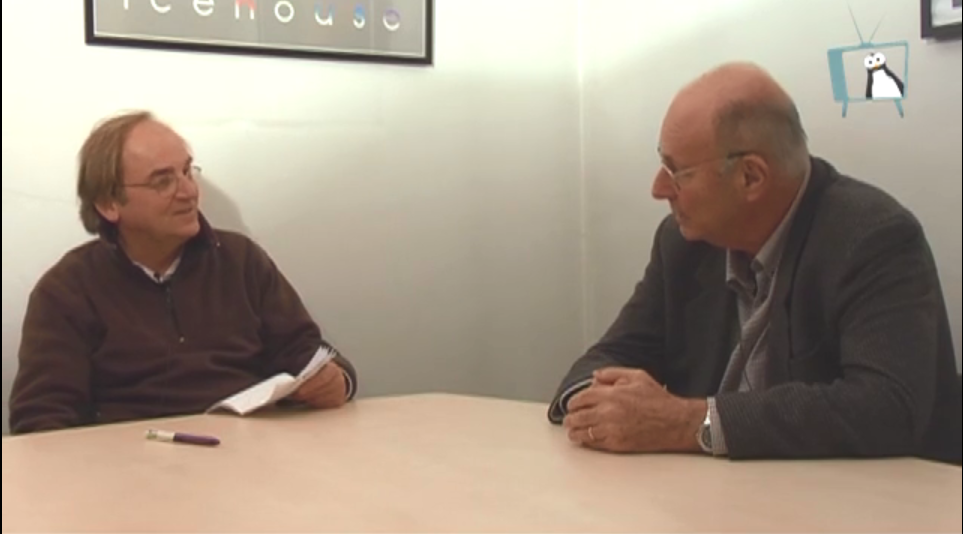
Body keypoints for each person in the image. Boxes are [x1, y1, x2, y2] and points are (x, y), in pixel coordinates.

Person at [548, 62, 959, 462]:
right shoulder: (684, 244)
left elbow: (886, 408)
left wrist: (691, 423)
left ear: (751, 177)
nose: (658, 189)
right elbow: (611, 356)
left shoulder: (872, 239)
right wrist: (600, 406)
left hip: (863, 498)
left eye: (677, 172)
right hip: (715, 494)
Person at [8, 110, 357, 434]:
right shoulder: (67, 290)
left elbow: (309, 356)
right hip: (129, 466)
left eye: (187, 172)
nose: (189, 192)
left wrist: (337, 380)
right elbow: (40, 421)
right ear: (108, 204)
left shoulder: (241, 261)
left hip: (249, 453)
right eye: (162, 182)